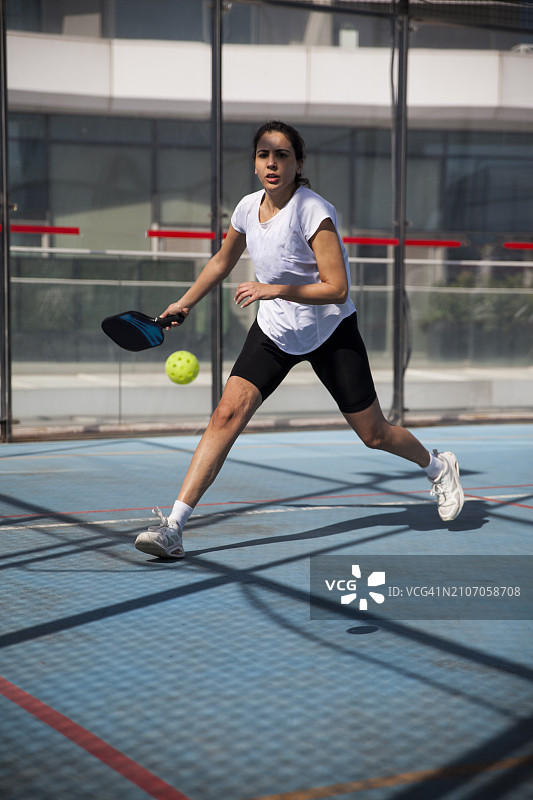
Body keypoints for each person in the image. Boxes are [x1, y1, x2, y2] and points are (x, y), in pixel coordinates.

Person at [134, 120, 464, 559]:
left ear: (298, 163)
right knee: (226, 416)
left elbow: (337, 287)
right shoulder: (247, 209)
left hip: (329, 331)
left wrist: (274, 288)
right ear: (254, 164)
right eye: (264, 155)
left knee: (374, 434)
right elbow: (222, 260)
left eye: (282, 155)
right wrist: (185, 302)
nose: (272, 163)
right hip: (274, 332)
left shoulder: (312, 210)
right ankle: (173, 527)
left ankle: (438, 466)